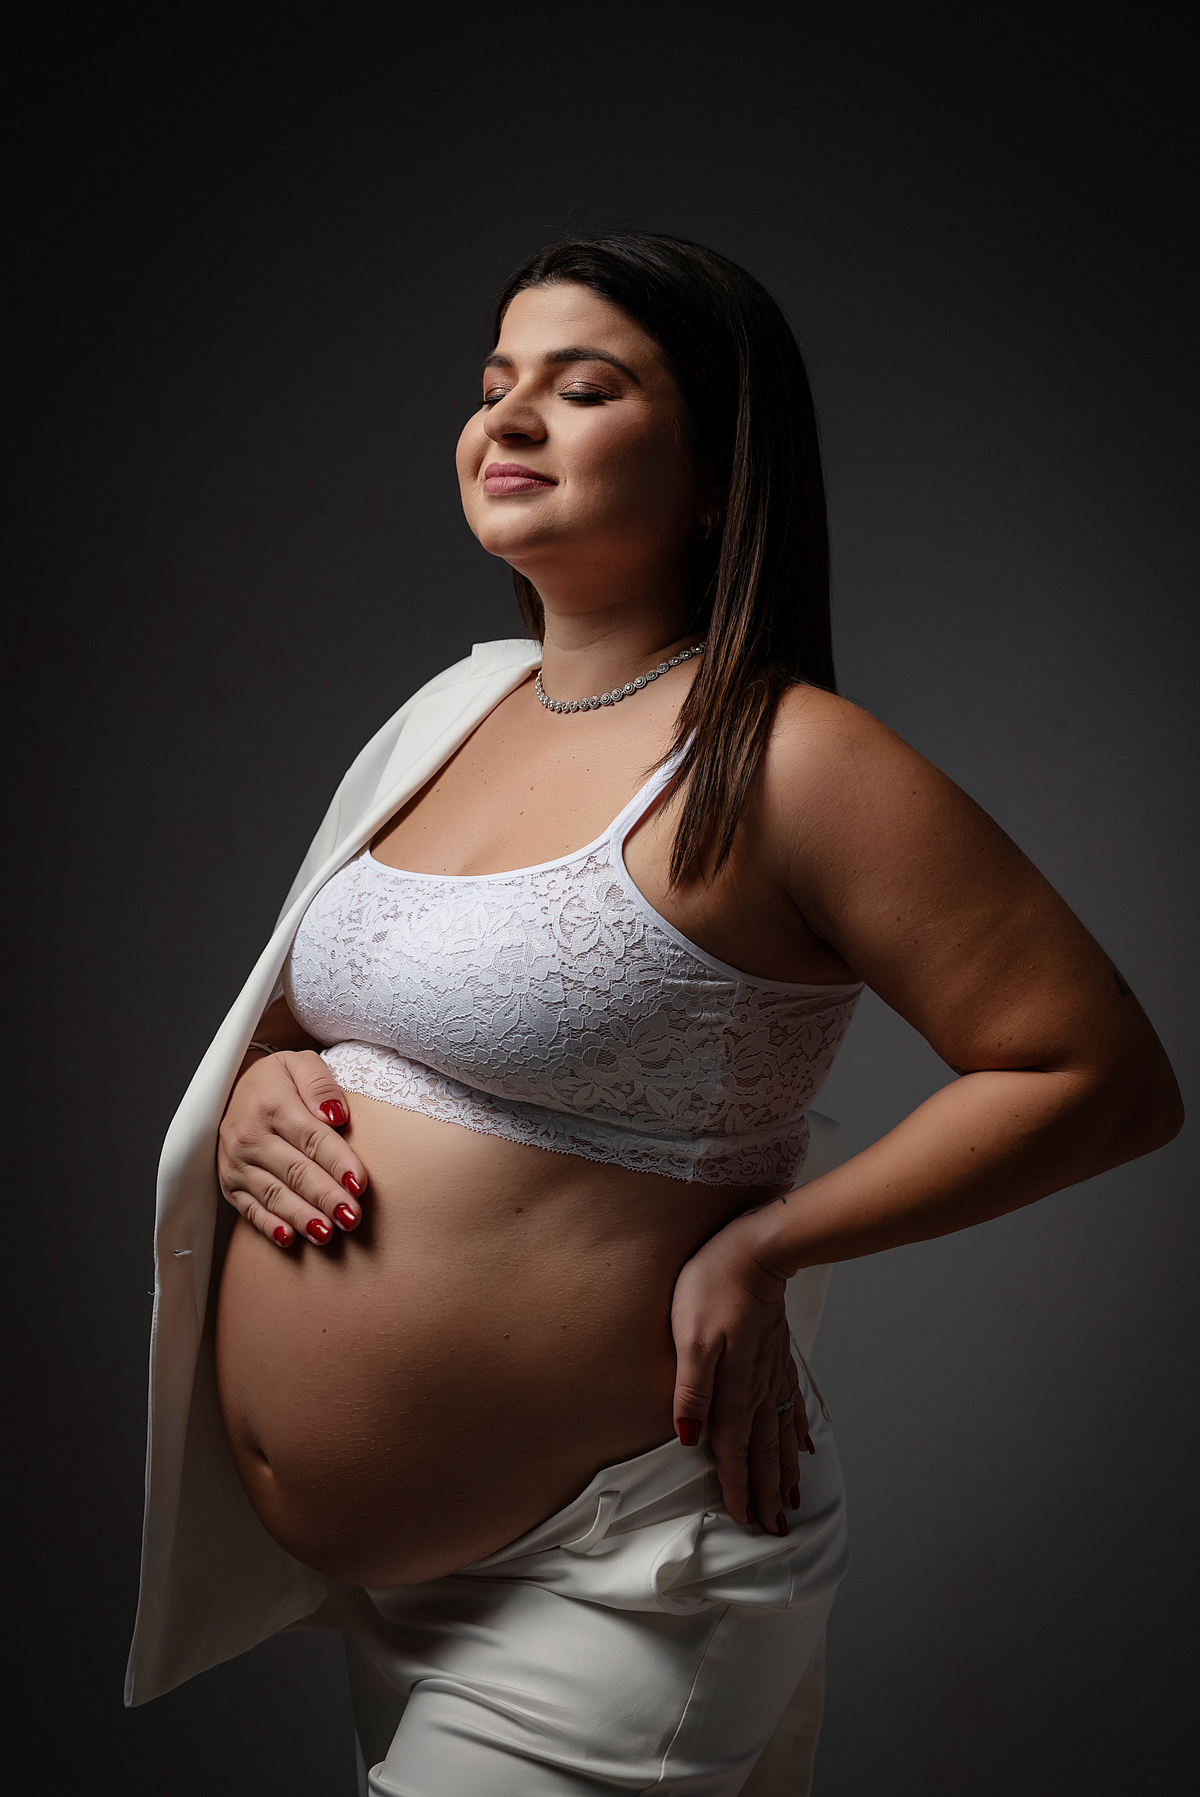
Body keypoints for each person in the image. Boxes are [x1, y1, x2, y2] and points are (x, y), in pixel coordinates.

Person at [125, 233, 1183, 1796]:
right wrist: (260, 1094)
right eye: (496, 383)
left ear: (716, 475)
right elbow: (313, 1015)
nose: (509, 418)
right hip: (389, 1591)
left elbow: (1100, 1073)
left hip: (619, 1570)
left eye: (584, 386)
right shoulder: (446, 715)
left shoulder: (788, 757)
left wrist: (771, 1243)